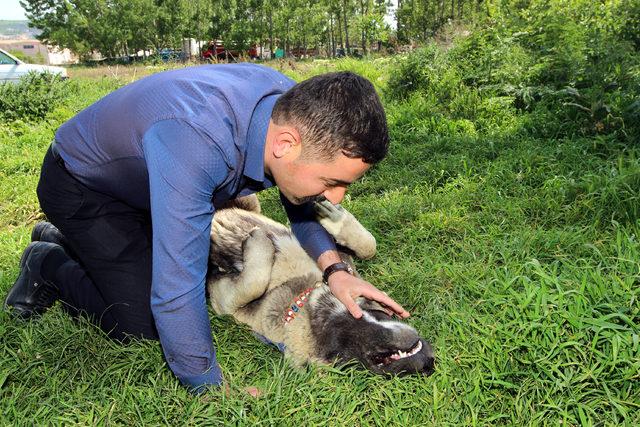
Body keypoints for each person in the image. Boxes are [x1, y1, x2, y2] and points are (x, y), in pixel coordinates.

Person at [4, 63, 409, 392]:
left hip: (154, 181)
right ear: (286, 144)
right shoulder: (197, 141)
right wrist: (210, 387)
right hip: (84, 190)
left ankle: (67, 242)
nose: (335, 199)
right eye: (331, 182)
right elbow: (174, 291)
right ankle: (48, 263)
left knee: (169, 261)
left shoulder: (294, 112)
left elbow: (299, 205)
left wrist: (335, 272)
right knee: (142, 321)